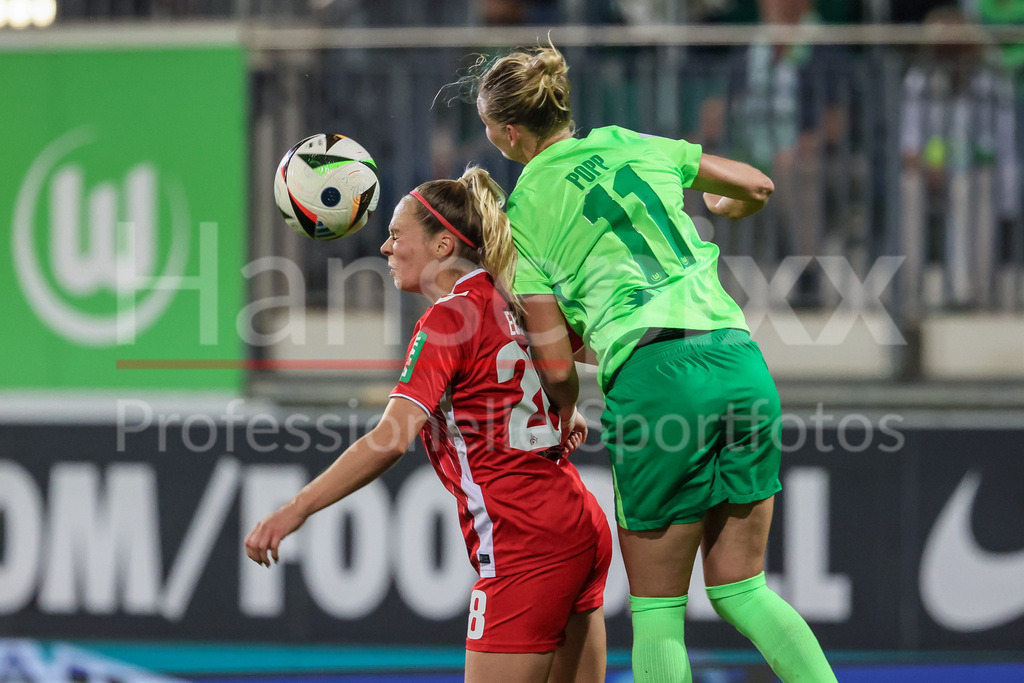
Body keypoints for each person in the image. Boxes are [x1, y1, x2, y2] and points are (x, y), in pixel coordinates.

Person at [469, 44, 837, 682]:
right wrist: (729, 208)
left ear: (507, 132)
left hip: (656, 377)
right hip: (737, 358)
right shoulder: (625, 142)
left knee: (659, 612)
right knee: (741, 589)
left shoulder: (523, 212)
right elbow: (758, 184)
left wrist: (560, 415)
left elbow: (556, 364)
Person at [245, 167, 612, 683]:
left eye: (397, 235)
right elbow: (580, 355)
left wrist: (295, 509)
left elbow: (391, 438)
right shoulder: (511, 295)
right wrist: (564, 411)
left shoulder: (447, 318)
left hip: (521, 539)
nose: (385, 248)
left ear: (442, 245)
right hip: (577, 520)